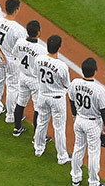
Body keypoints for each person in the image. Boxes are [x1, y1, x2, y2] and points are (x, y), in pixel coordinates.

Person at [69, 57, 105, 186]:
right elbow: (104, 110)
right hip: (93, 124)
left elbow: (71, 100)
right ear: (95, 71)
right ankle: (93, 182)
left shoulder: (75, 83)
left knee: (78, 148)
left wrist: (74, 114)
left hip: (79, 120)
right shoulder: (99, 90)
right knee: (93, 152)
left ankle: (75, 178)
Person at [33, 35, 71, 164]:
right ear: (59, 48)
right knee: (59, 128)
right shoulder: (62, 66)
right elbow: (67, 85)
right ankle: (62, 157)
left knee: (41, 122)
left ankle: (38, 149)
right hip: (57, 99)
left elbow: (35, 74)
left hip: (42, 96)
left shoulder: (39, 59)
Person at [0, 0, 26, 123]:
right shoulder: (19, 29)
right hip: (12, 60)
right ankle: (10, 116)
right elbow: (22, 49)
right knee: (12, 87)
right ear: (16, 10)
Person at [12, 20, 48, 137]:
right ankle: (36, 137)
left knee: (20, 102)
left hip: (22, 76)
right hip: (35, 81)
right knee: (38, 107)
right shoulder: (41, 50)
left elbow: (15, 54)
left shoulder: (20, 42)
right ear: (38, 33)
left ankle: (17, 128)